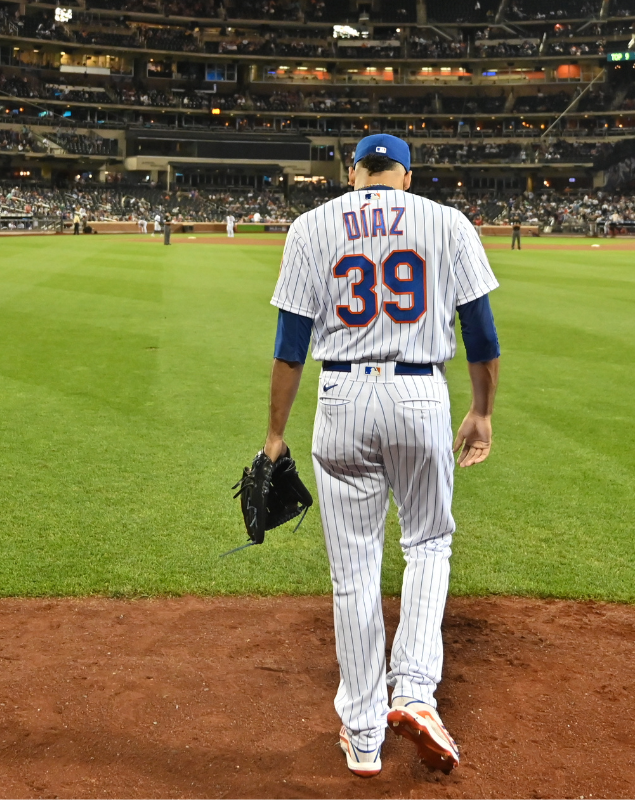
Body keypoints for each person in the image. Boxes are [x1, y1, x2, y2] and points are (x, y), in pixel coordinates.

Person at [262, 133, 500, 778]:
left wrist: (275, 434)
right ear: (407, 176)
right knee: (427, 544)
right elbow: (481, 332)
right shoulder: (446, 221)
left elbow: (290, 344)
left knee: (354, 572)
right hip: (421, 393)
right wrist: (480, 412)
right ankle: (417, 694)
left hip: (339, 396)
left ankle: (364, 734)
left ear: (353, 172)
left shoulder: (311, 225)